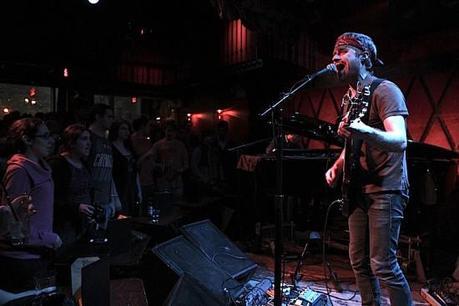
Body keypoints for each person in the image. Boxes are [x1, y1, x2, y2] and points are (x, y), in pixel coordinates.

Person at [324, 32, 412, 305]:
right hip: (358, 188)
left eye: (342, 51)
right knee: (358, 261)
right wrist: (338, 166)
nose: (335, 57)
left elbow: (399, 140)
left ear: (363, 57)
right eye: (334, 53)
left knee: (383, 264)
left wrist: (364, 130)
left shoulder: (385, 90)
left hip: (385, 187)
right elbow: (354, 140)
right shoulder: (348, 98)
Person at [0, 118, 61, 292]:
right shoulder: (19, 171)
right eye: (45, 136)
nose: (51, 141)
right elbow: (12, 227)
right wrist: (50, 238)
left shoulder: (41, 167)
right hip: (21, 261)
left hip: (37, 256)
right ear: (27, 139)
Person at [47, 124, 93, 249]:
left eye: (89, 139)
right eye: (84, 139)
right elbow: (52, 198)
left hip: (82, 223)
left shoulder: (84, 163)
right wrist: (76, 207)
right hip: (65, 224)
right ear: (71, 142)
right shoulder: (58, 164)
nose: (88, 143)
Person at [87, 104, 120, 224]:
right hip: (91, 199)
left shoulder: (107, 142)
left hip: (105, 199)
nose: (112, 120)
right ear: (98, 117)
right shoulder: (88, 138)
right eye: (109, 116)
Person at [110, 120, 141, 216]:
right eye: (123, 129)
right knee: (122, 217)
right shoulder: (110, 148)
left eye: (128, 129)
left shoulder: (129, 148)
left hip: (132, 188)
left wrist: (139, 190)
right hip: (119, 188)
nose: (127, 132)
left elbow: (136, 173)